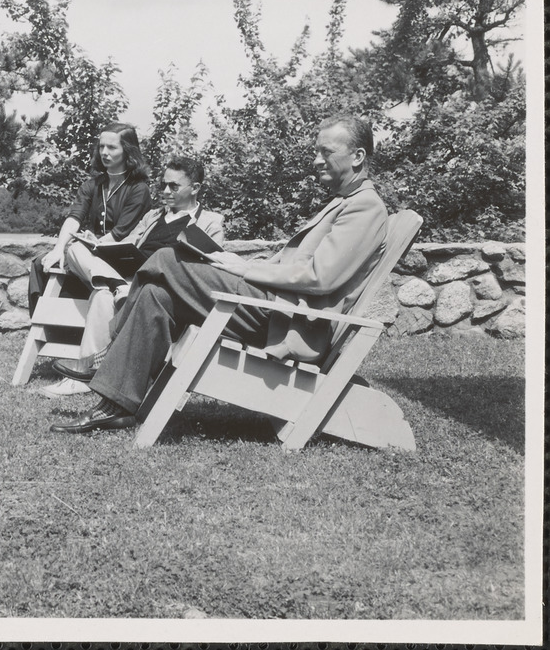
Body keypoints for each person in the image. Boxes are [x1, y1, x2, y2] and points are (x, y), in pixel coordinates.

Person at [50, 115, 388, 434]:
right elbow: (302, 265)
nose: (316, 160)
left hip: (286, 319)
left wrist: (247, 268)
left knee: (167, 258)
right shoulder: (344, 201)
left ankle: (106, 355)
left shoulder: (365, 206)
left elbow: (320, 278)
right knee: (157, 296)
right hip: (273, 306)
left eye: (325, 152)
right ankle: (116, 404)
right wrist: (232, 260)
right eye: (316, 152)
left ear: (357, 156)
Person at [39, 155, 225, 398]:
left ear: (195, 189)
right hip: (127, 278)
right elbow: (128, 243)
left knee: (102, 295)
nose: (165, 191)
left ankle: (85, 370)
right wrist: (98, 244)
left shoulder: (211, 222)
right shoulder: (153, 216)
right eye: (163, 184)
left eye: (174, 186)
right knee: (76, 250)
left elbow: (208, 270)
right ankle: (117, 289)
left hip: (161, 288)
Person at [27, 122, 152, 316]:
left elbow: (120, 233)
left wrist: (95, 243)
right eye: (101, 146)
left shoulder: (138, 189)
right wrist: (58, 249)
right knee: (42, 262)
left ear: (128, 151)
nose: (104, 152)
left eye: (111, 147)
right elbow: (74, 218)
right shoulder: (92, 185)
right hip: (92, 253)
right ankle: (41, 324)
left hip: (120, 257)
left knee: (75, 252)